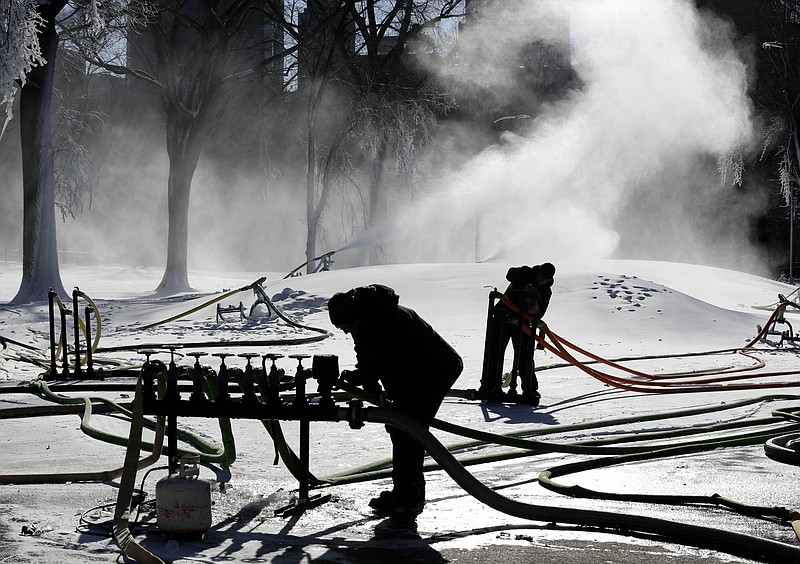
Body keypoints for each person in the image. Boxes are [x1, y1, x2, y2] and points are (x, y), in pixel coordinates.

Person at [327, 284, 463, 518]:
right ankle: (404, 491)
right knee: (402, 428)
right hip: (414, 372)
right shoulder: (368, 319)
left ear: (355, 315)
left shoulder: (383, 320)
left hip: (435, 371)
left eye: (347, 327)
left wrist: (360, 378)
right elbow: (367, 357)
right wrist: (370, 387)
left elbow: (377, 361)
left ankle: (409, 497)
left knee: (409, 431)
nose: (348, 332)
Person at [478, 262, 555, 405]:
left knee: (525, 355)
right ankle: (490, 386)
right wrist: (525, 285)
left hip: (523, 323)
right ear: (538, 271)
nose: (541, 280)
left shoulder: (546, 291)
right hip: (503, 318)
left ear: (549, 280)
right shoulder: (526, 272)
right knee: (495, 352)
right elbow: (510, 273)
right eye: (541, 276)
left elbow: (540, 312)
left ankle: (530, 389)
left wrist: (534, 307)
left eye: (546, 278)